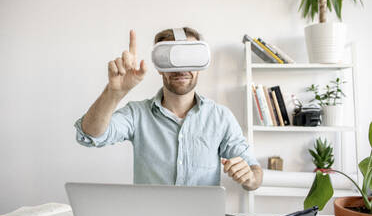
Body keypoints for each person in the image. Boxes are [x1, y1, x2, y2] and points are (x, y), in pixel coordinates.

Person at [74, 27, 263, 190]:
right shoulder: (137, 114)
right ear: (159, 66)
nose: (180, 68)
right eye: (170, 57)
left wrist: (250, 177)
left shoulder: (220, 117)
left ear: (201, 64)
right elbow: (90, 134)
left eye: (189, 57)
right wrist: (114, 93)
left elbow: (254, 172)